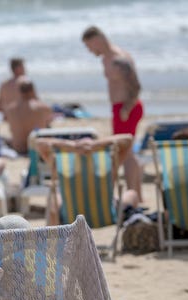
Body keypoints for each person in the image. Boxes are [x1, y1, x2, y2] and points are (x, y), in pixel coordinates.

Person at [82, 26, 144, 201]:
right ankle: (137, 194)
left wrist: (127, 107)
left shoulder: (118, 59)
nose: (89, 51)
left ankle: (135, 194)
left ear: (97, 39)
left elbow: (136, 85)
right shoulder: (105, 59)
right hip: (120, 107)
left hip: (127, 107)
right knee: (126, 151)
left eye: (89, 46)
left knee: (125, 151)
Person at [4, 77, 53, 155]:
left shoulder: (10, 109)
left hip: (18, 148)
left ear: (19, 92)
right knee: (48, 126)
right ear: (33, 90)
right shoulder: (43, 108)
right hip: (36, 148)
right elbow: (49, 122)